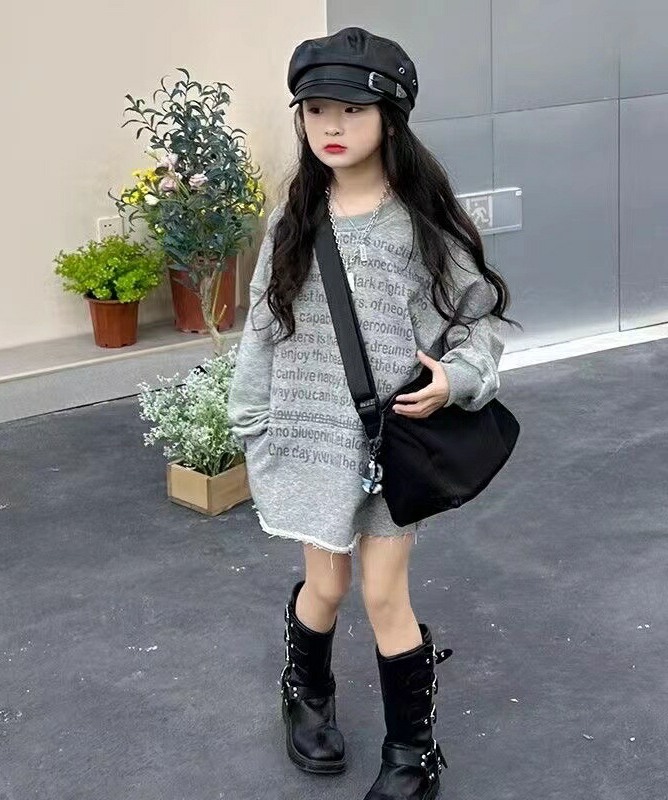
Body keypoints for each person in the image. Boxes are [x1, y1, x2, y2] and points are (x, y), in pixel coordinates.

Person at [226, 25, 518, 800]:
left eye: (351, 110)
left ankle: (412, 756)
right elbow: (262, 326)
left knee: (384, 594)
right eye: (316, 109)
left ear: (390, 119)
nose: (331, 126)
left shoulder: (423, 222)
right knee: (323, 586)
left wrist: (457, 380)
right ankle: (306, 693)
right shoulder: (294, 219)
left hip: (391, 445)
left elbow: (479, 324)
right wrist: (251, 424)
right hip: (312, 441)